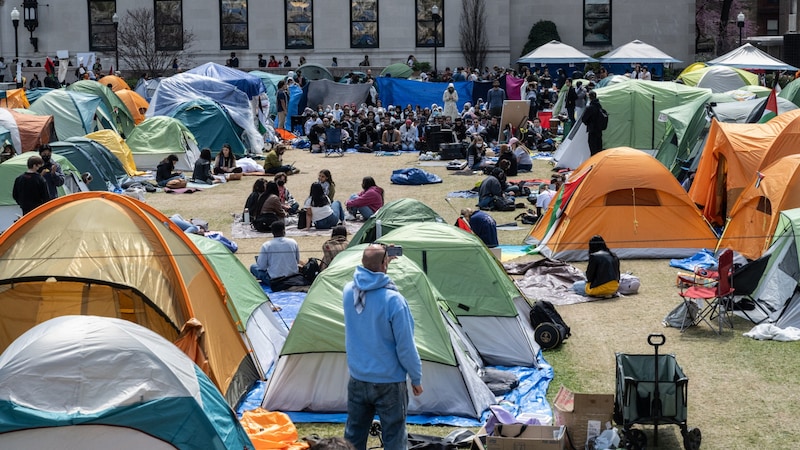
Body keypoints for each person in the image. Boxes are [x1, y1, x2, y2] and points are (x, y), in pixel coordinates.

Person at [343, 243, 423, 450]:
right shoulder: (394, 300)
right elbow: (405, 346)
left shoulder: (348, 291)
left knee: (353, 435)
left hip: (358, 377)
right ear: (385, 263)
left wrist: (381, 260)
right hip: (389, 381)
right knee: (394, 436)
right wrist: (416, 377)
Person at [249, 221, 302, 289]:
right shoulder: (293, 242)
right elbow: (297, 261)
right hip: (293, 278)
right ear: (284, 231)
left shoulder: (267, 245)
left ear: (272, 232)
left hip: (276, 281)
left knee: (253, 267)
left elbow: (262, 267)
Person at [582, 91, 605, 155]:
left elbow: (584, 119)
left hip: (592, 130)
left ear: (589, 97)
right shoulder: (599, 106)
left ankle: (593, 162)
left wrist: (588, 123)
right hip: (599, 130)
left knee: (593, 148)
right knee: (599, 148)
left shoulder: (590, 108)